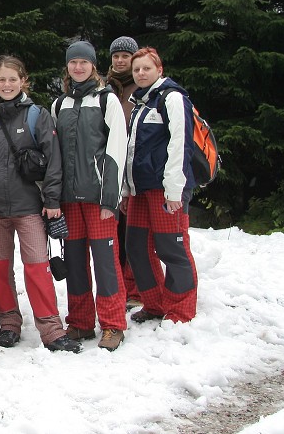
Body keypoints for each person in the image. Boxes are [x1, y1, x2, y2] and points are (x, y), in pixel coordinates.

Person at [0, 55, 81, 353]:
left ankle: (51, 329)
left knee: (37, 268)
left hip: (29, 207)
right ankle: (9, 323)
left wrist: (52, 199)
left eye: (12, 79)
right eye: (1, 80)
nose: (7, 85)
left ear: (23, 81)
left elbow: (53, 160)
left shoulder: (37, 116)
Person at [51, 40, 128, 351]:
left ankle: (112, 324)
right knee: (76, 262)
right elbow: (54, 155)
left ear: (94, 66)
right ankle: (80, 322)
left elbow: (116, 149)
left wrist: (111, 198)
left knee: (106, 261)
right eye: (73, 63)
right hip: (69, 200)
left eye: (84, 62)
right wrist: (52, 198)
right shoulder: (59, 104)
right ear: (68, 67)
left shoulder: (108, 100)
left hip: (98, 199)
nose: (78, 67)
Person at [123, 47, 199, 323]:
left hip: (165, 189)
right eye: (136, 69)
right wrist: (126, 189)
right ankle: (154, 303)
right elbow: (132, 152)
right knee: (136, 246)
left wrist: (174, 190)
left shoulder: (173, 98)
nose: (141, 73)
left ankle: (180, 309)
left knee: (171, 247)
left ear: (159, 70)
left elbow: (181, 145)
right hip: (139, 189)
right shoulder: (141, 103)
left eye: (146, 68)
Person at [106, 36, 143, 309]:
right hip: (110, 167)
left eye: (125, 56)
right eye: (116, 55)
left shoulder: (141, 87)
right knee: (116, 232)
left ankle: (136, 288)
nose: (120, 60)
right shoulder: (105, 87)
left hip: (136, 168)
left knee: (135, 232)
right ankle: (120, 286)